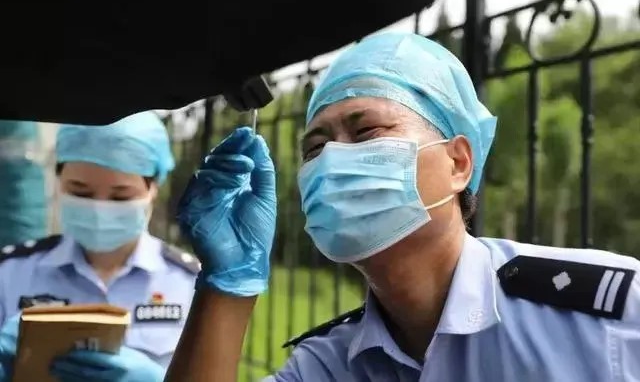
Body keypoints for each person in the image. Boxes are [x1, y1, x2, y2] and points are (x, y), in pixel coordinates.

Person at [163, 31, 640, 382]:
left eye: (367, 131)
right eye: (314, 147)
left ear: (458, 163)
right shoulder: (331, 366)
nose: (333, 158)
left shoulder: (610, 319)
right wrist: (227, 284)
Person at [0, 111, 199, 381]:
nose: (99, 208)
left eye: (120, 196)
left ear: (153, 188)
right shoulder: (11, 272)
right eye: (81, 193)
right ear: (58, 181)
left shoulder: (191, 282)